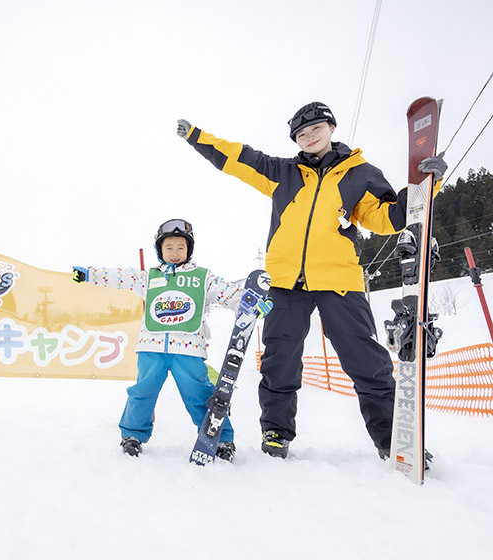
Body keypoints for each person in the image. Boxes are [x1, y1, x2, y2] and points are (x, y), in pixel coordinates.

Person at [176, 102, 447, 460]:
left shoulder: (360, 173)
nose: (309, 136)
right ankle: (275, 431)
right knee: (279, 358)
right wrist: (197, 137)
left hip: (338, 279)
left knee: (365, 359)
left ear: (331, 127)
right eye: (301, 134)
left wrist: (430, 183)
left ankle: (394, 439)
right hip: (286, 281)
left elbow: (387, 217)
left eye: (315, 128)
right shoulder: (282, 172)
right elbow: (239, 158)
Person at [73, 219, 258, 461]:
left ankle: (221, 438)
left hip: (189, 349)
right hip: (151, 347)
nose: (175, 253)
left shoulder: (203, 277)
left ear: (189, 250)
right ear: (160, 251)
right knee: (142, 391)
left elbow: (228, 293)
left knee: (200, 394)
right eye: (169, 248)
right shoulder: (149, 277)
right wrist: (90, 274)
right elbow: (121, 276)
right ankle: (132, 435)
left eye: (181, 247)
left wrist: (251, 301)